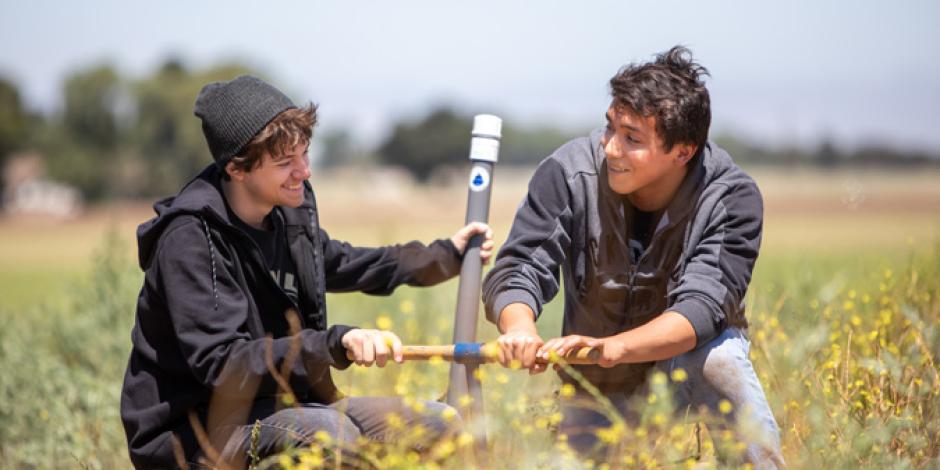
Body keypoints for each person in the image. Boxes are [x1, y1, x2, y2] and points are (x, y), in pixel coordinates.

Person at [120, 75, 494, 469]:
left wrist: (445, 256)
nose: (304, 171)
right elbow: (223, 364)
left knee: (440, 424)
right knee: (328, 435)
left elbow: (343, 262)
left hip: (282, 406)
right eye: (285, 162)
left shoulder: (286, 214)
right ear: (237, 168)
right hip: (192, 432)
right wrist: (334, 343)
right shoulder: (190, 238)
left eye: (304, 154)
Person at [482, 46, 783, 467]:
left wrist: (612, 346)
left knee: (719, 358)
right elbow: (520, 266)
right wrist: (520, 330)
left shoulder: (731, 197)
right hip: (595, 385)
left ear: (683, 151)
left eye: (632, 139)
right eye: (610, 129)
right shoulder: (567, 173)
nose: (611, 148)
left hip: (680, 372)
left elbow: (702, 308)